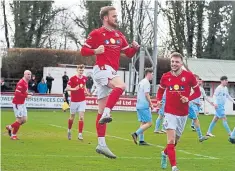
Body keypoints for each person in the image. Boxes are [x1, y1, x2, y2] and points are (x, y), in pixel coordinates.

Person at [81, 6, 139, 159]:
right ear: (105, 18)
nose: (116, 18)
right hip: (101, 69)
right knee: (121, 86)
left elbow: (128, 53)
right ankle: (108, 112)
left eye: (116, 16)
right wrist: (95, 51)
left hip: (110, 71)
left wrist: (135, 48)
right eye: (113, 16)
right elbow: (83, 51)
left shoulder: (120, 35)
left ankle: (101, 144)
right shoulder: (96, 33)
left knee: (100, 111)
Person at [156, 52, 201, 171]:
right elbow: (160, 91)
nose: (174, 64)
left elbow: (198, 92)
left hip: (183, 113)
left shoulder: (189, 76)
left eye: (177, 62)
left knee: (174, 142)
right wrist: (159, 100)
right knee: (170, 140)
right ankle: (174, 167)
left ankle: (164, 153)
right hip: (169, 112)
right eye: (172, 62)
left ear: (181, 63)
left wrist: (188, 98)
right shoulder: (165, 76)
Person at [5, 70, 33, 140]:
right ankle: (13, 135)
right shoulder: (21, 83)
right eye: (28, 74)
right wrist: (27, 96)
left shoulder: (26, 82)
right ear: (24, 75)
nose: (29, 76)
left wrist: (28, 94)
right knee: (19, 120)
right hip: (17, 103)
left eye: (30, 74)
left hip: (22, 103)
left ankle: (10, 127)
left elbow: (23, 92)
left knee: (24, 120)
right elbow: (17, 94)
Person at [66, 64, 90, 140]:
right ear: (77, 70)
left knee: (81, 117)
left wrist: (87, 91)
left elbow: (84, 86)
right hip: (74, 101)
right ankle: (69, 130)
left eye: (82, 70)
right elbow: (67, 88)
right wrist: (74, 89)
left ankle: (80, 134)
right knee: (72, 117)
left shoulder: (85, 78)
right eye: (80, 70)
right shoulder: (72, 78)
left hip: (82, 100)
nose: (81, 72)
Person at [131, 68, 154, 145]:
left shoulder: (141, 82)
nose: (152, 76)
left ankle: (141, 140)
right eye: (152, 74)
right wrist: (151, 104)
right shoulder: (146, 82)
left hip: (139, 105)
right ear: (148, 73)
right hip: (144, 105)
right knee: (149, 123)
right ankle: (135, 134)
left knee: (143, 122)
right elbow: (146, 94)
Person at [188, 75, 210, 142]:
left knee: (195, 119)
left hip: (191, 106)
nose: (198, 81)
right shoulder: (190, 87)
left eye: (198, 80)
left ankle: (200, 137)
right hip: (188, 105)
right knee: (181, 120)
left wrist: (211, 103)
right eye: (197, 79)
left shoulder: (199, 88)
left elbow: (203, 96)